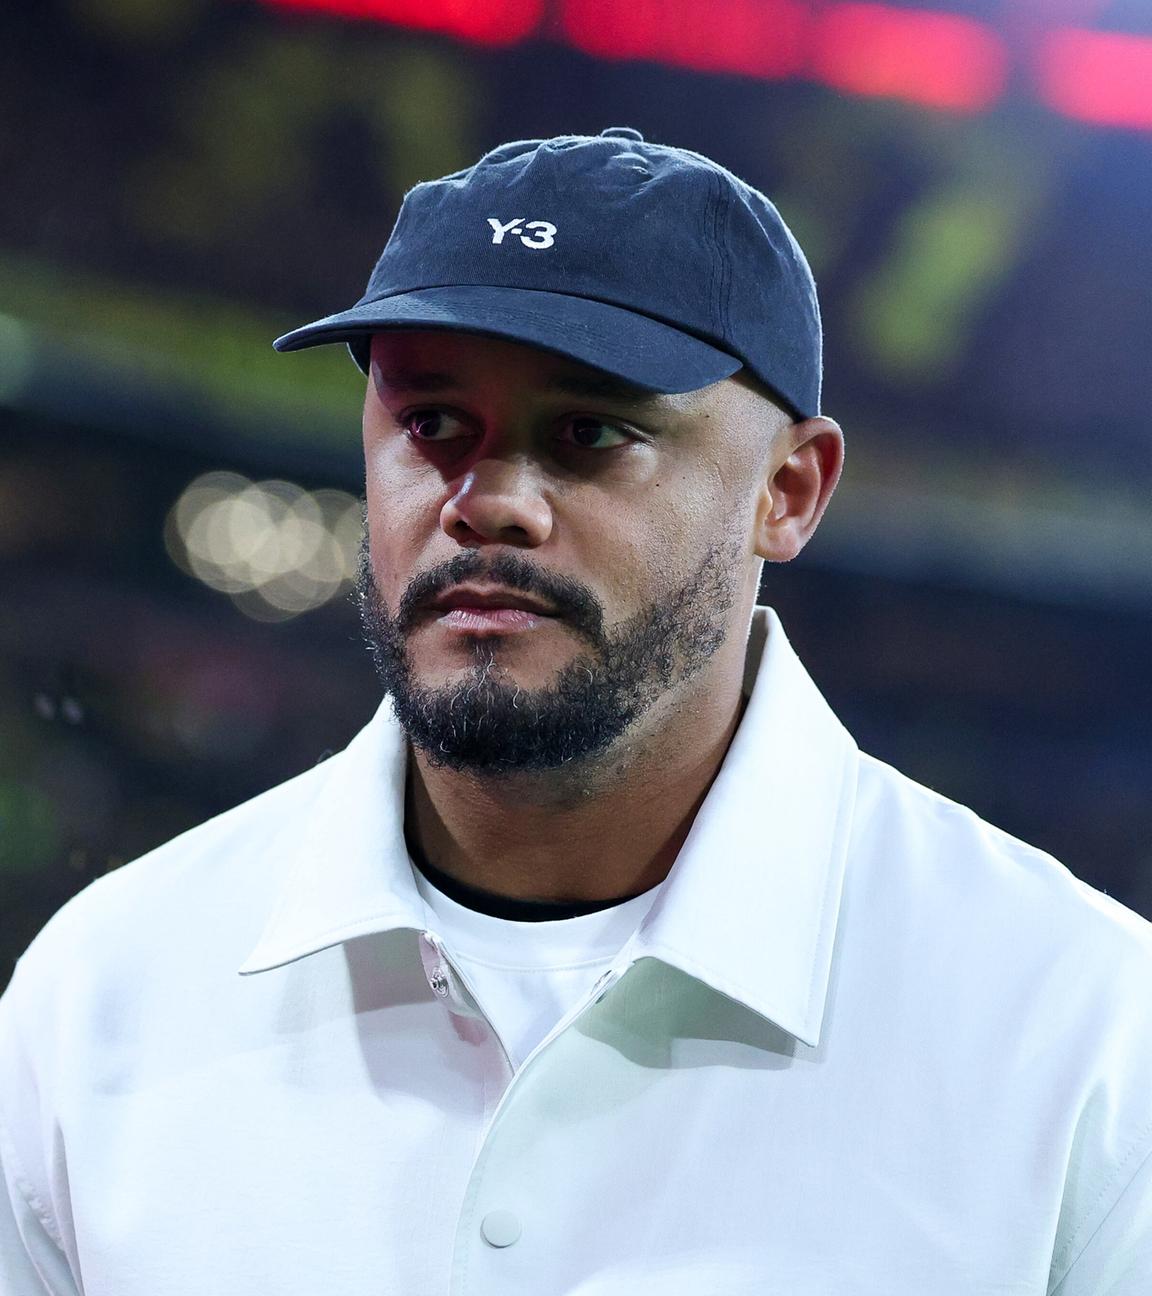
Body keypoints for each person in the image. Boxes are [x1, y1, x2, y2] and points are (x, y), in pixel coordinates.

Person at [1, 127, 1150, 1295]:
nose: (488, 502)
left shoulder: (1079, 1029)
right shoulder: (106, 986)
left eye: (592, 433)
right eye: (433, 423)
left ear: (789, 490)